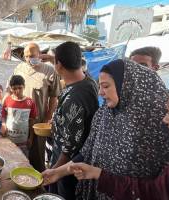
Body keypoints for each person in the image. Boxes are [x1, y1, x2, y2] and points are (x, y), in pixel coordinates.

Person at [42, 59, 169, 200]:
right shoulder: (104, 114)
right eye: (100, 86)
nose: (100, 92)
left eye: (106, 86)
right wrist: (58, 172)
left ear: (126, 85)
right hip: (99, 192)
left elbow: (159, 187)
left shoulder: (157, 123)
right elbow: (86, 152)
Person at [68, 87, 169, 200]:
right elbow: (152, 190)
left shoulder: (149, 125)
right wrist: (97, 173)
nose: (165, 119)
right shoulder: (104, 112)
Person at [47, 42, 99, 200]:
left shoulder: (75, 98)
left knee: (62, 195)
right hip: (72, 157)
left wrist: (55, 171)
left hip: (68, 164)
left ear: (59, 65)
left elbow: (69, 148)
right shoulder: (87, 80)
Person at [13, 42, 61, 172]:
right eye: (26, 56)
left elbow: (54, 97)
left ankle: (37, 185)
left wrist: (47, 118)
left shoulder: (49, 70)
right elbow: (11, 90)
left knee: (37, 156)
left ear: (40, 54)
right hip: (19, 120)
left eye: (32, 56)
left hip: (38, 122)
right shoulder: (19, 69)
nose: (29, 59)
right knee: (18, 153)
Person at [1, 75, 37, 156]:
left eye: (20, 88)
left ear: (24, 86)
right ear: (11, 88)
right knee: (9, 159)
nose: (17, 91)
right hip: (9, 139)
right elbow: (3, 115)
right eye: (14, 89)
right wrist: (3, 124)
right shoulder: (7, 100)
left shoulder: (30, 102)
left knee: (22, 161)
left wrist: (31, 138)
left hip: (23, 140)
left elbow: (32, 121)